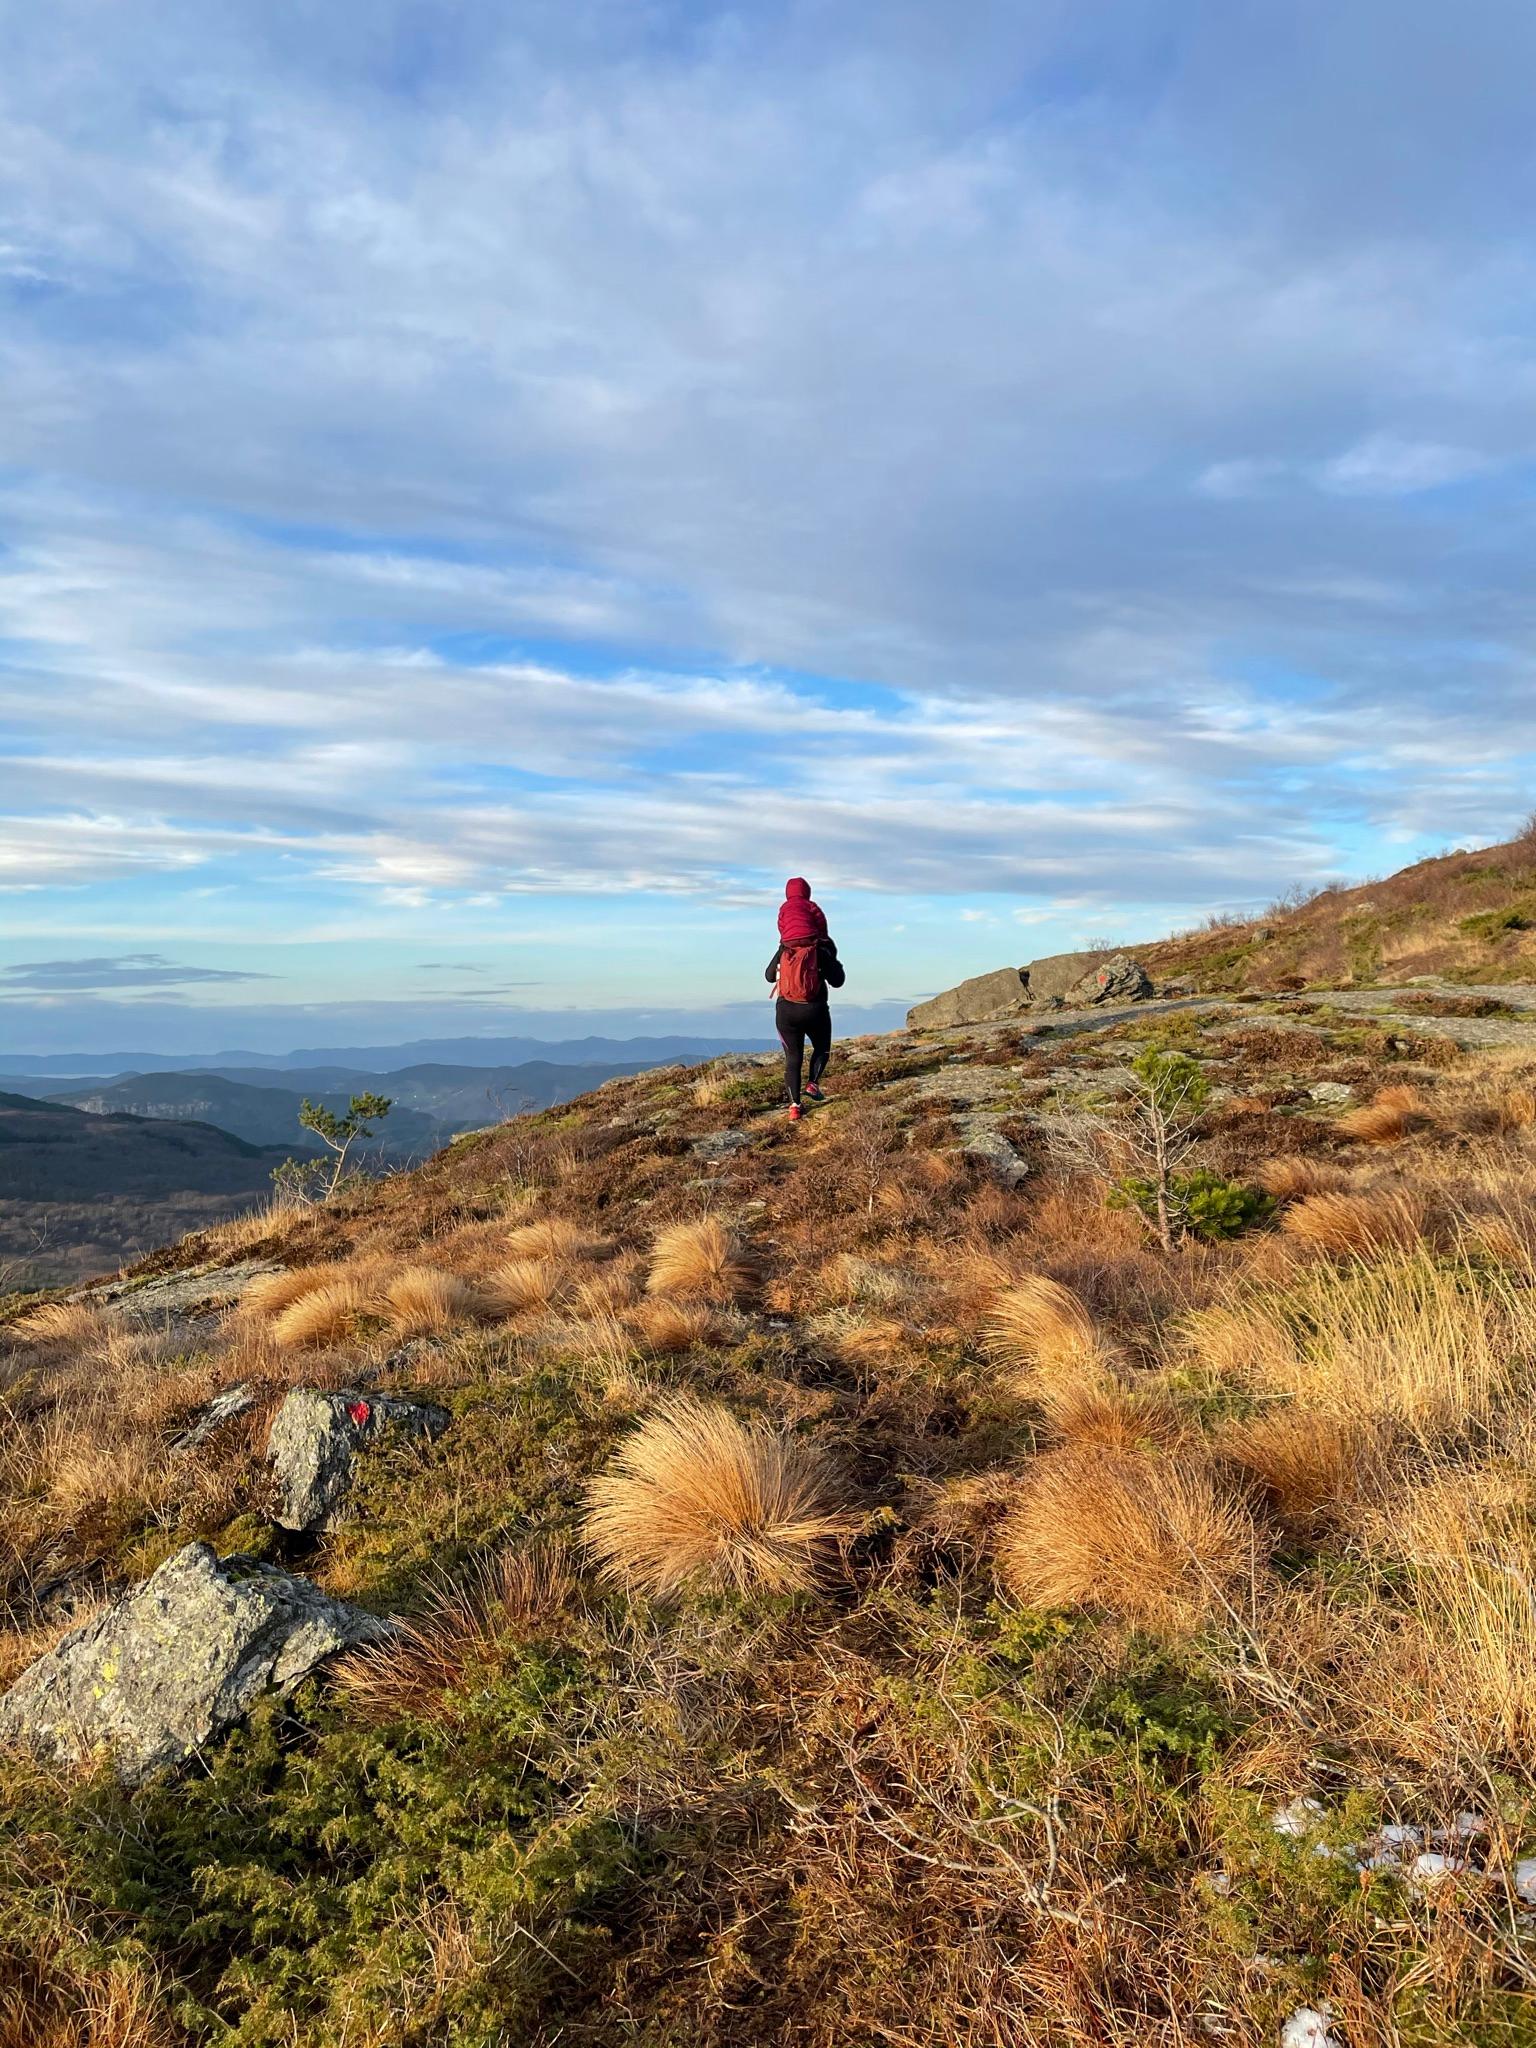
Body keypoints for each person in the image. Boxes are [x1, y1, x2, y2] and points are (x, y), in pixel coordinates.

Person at [765, 881, 844, 1119]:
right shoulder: (819, 949)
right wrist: (831, 959)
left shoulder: (784, 950)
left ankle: (794, 1107)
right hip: (815, 1009)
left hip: (786, 1012)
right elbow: (838, 981)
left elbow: (769, 976)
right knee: (822, 1048)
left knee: (793, 1059)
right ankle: (813, 1084)